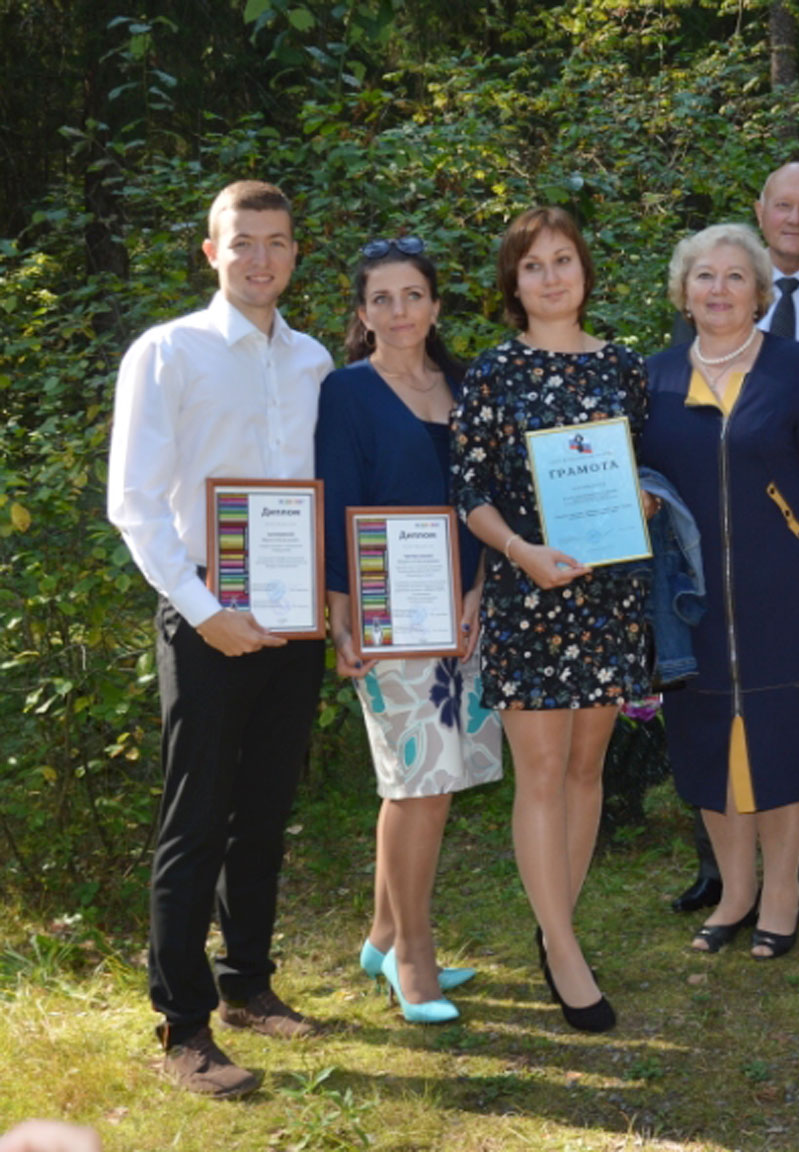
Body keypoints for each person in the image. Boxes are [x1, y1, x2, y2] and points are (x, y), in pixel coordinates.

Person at [107, 180, 334, 1097]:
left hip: (293, 619)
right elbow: (134, 503)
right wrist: (205, 612)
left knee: (266, 808)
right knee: (196, 817)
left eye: (276, 242)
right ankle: (184, 1023)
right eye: (243, 242)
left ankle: (247, 982)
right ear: (211, 251)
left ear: (295, 252)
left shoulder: (314, 360)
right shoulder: (168, 353)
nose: (260, 258)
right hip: (204, 614)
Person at [451, 206, 650, 1033]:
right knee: (540, 772)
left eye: (563, 259)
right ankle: (565, 953)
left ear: (585, 270)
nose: (551, 277)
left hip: (605, 597)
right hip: (527, 592)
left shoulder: (624, 366)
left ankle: (553, 926)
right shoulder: (493, 372)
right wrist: (519, 550)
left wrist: (641, 501)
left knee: (584, 770)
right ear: (514, 282)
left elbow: (644, 470)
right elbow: (470, 491)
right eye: (533, 265)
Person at [643, 223, 799, 960]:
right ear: (683, 292)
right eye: (705, 276)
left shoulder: (797, 369)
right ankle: (735, 892)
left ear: (760, 293)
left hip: (787, 593)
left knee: (786, 742)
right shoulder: (654, 380)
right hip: (693, 603)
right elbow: (631, 479)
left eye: (736, 277)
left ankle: (783, 894)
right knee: (709, 744)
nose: (719, 289)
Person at [315, 236, 504, 1025]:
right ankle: (412, 958)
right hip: (388, 615)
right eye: (381, 299)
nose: (399, 311)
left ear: (435, 304)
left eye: (412, 295)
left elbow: (490, 494)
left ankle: (381, 936)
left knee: (438, 779)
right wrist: (341, 618)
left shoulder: (466, 384)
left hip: (461, 611)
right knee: (415, 782)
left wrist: (481, 590)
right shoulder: (348, 392)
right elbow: (335, 498)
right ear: (362, 314)